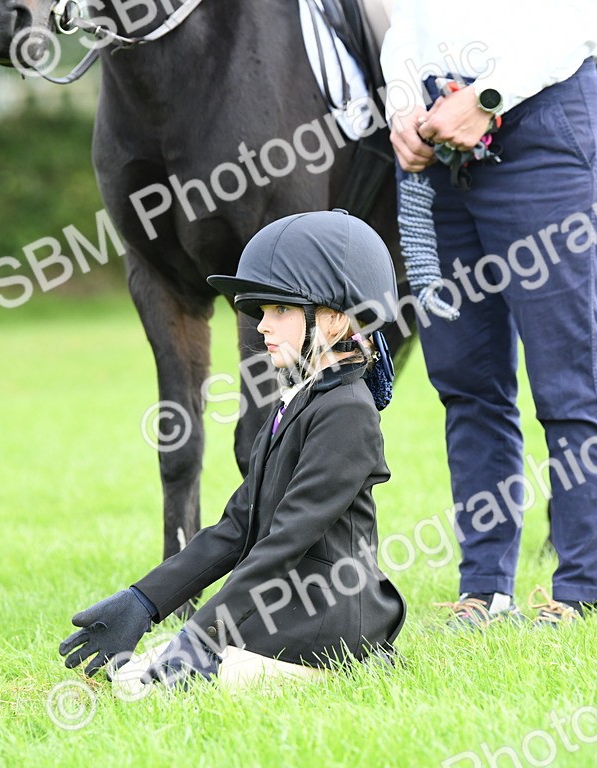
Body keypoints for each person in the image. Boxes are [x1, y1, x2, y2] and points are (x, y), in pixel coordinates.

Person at [59, 209, 406, 691]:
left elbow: (285, 540)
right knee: (135, 677)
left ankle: (342, 673)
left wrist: (202, 637)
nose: (262, 326)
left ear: (336, 318)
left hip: (329, 621)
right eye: (261, 312)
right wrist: (144, 600)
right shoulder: (300, 399)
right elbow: (236, 527)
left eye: (280, 310)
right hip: (283, 612)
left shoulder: (349, 411)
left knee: (145, 688)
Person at [380, 2, 597, 627]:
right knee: (466, 380)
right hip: (440, 143)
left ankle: (580, 594)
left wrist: (489, 94)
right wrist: (403, 105)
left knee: (565, 375)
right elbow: (406, 25)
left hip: (545, 127)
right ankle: (485, 588)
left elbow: (586, 16)